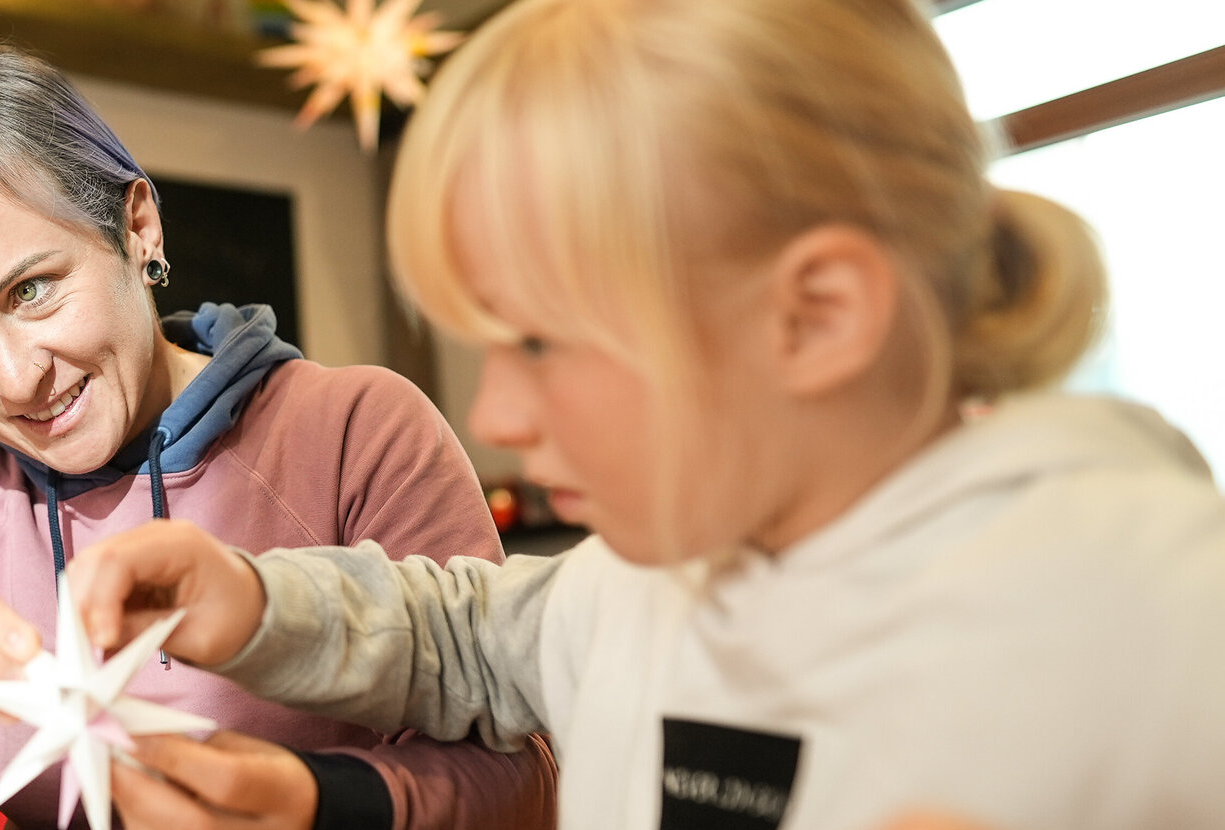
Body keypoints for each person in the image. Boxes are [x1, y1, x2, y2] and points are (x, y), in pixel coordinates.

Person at [67, 0, 1225, 828]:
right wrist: (257, 595)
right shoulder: (634, 575)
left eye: (540, 342)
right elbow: (469, 632)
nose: (504, 411)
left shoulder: (1161, 623)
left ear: (817, 315)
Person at [0, 46, 559, 830]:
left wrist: (315, 803)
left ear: (139, 228)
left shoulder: (356, 431)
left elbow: (524, 775)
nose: (13, 378)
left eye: (31, 289)